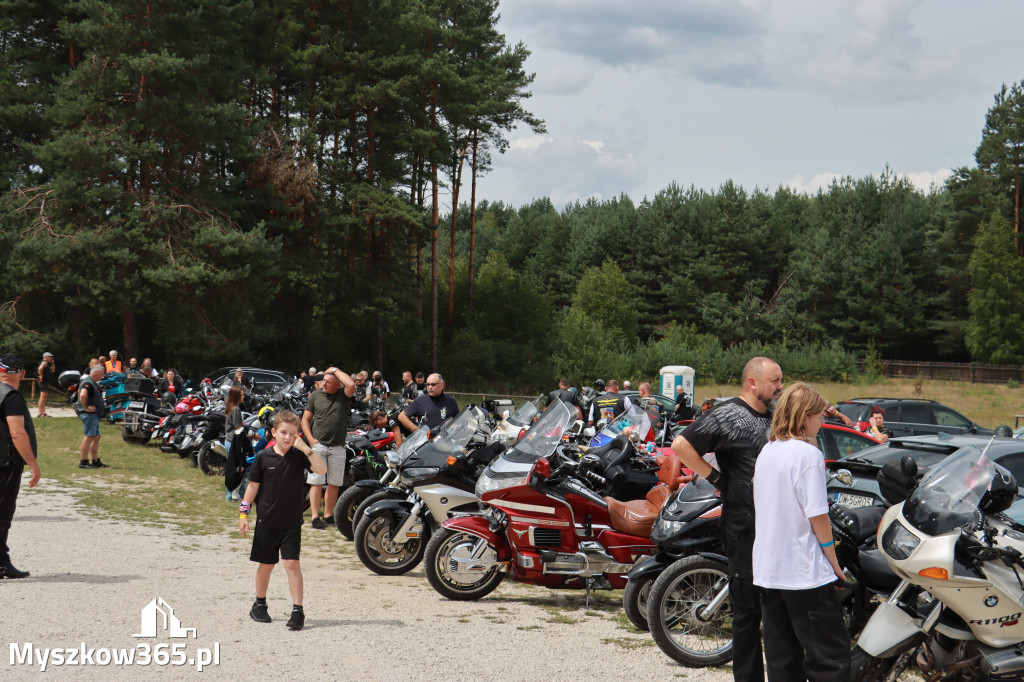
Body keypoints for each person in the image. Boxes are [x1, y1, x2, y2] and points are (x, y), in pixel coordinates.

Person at [672, 356, 784, 682]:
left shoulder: (775, 416)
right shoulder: (726, 414)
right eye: (774, 380)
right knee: (748, 610)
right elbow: (681, 445)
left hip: (777, 525)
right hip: (745, 525)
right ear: (752, 382)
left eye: (780, 380)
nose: (780, 386)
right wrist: (717, 479)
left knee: (777, 607)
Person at [753, 382, 850, 681]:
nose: (822, 421)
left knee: (783, 660)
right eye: (819, 415)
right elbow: (818, 516)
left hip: (769, 569)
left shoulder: (768, 450)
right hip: (803, 572)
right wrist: (833, 562)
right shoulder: (808, 457)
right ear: (804, 415)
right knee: (830, 660)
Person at [239, 410, 327, 631]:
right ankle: (259, 604)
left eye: (293, 434)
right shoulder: (263, 458)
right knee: (266, 565)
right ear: (273, 433)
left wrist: (306, 448)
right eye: (283, 433)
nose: (288, 438)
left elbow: (322, 469)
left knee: (292, 564)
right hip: (267, 522)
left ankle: (298, 610)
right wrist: (243, 514)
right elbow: (252, 488)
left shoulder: (299, 457)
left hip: (291, 523)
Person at [0, 354, 42, 578]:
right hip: (6, 463)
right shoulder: (12, 397)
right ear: (23, 374)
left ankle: (2, 561)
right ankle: (1, 562)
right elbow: (17, 432)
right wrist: (33, 465)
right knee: (3, 514)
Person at [301, 366, 356, 530]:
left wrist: (335, 370)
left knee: (334, 483)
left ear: (337, 384)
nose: (323, 384)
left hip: (338, 446)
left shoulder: (343, 395)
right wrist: (311, 439)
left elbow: (351, 384)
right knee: (316, 482)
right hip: (319, 445)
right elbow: (305, 420)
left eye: (327, 381)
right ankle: (315, 517)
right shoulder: (316, 396)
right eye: (323, 380)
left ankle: (328, 515)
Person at [77, 364, 110, 469]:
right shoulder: (88, 382)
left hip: (94, 415)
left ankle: (95, 461)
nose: (102, 376)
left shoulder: (93, 382)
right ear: (97, 373)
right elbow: (82, 395)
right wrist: (86, 408)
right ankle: (83, 461)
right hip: (89, 414)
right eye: (101, 374)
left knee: (96, 437)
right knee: (89, 436)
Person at [224, 386, 245, 501]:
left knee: (233, 469)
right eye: (242, 394)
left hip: (228, 440)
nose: (244, 396)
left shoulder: (229, 407)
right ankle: (230, 496)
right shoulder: (236, 409)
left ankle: (244, 494)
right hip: (233, 442)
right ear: (237, 396)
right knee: (235, 470)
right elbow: (238, 427)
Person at [36, 352, 55, 418]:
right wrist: (41, 376)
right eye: (50, 357)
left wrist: (52, 363)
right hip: (43, 381)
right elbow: (40, 369)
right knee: (43, 397)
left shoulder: (48, 364)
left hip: (46, 381)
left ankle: (43, 412)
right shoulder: (44, 362)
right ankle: (41, 413)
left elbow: (53, 370)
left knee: (44, 397)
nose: (51, 358)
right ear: (46, 357)